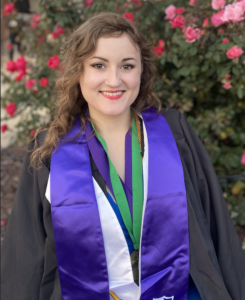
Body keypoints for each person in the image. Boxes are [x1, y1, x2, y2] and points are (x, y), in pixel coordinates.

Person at [1, 12, 245, 300]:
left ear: (142, 71)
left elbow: (216, 232)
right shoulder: (50, 153)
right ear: (79, 72)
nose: (114, 80)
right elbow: (26, 259)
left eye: (127, 65)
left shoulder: (173, 134)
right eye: (99, 65)